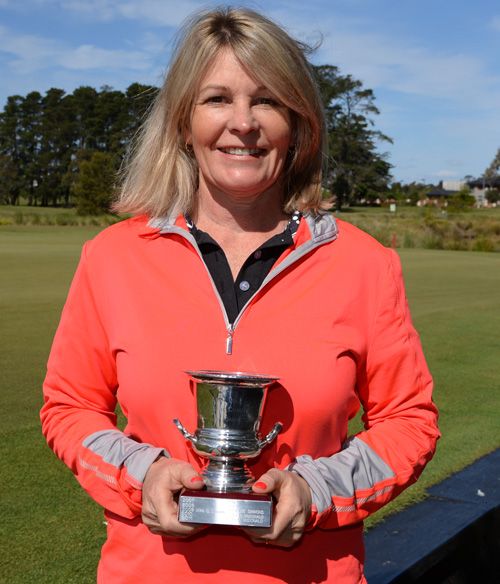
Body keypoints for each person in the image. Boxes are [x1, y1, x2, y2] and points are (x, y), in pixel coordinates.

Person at [41, 7, 439, 583]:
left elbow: (409, 422)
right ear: (184, 122)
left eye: (268, 101)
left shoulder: (365, 265)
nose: (243, 123)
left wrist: (316, 490)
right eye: (217, 99)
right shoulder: (112, 256)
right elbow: (69, 407)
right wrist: (142, 474)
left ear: (297, 124)